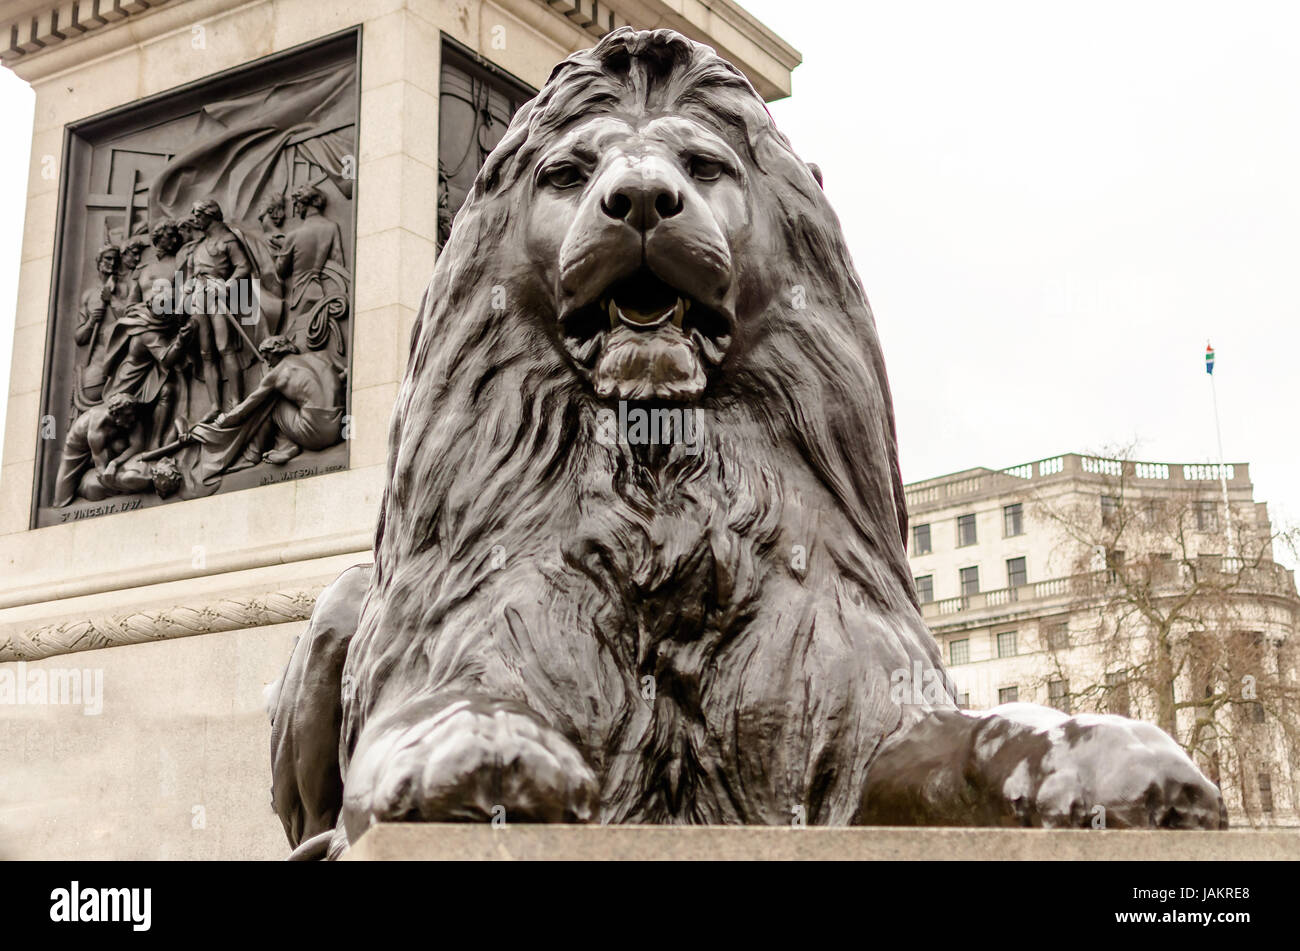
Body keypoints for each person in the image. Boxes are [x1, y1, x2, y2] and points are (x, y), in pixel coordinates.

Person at [188, 335, 343, 482]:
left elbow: (247, 407)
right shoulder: (322, 356)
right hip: (340, 424)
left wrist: (224, 420)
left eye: (267, 357)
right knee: (282, 396)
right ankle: (286, 445)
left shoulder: (276, 374)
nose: (268, 363)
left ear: (276, 351)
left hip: (315, 433)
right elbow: (348, 373)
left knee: (271, 402)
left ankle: (264, 452)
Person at [103, 220, 195, 447]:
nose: (173, 240)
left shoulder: (181, 266)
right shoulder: (141, 270)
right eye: (168, 236)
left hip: (165, 328)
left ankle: (155, 442)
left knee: (168, 390)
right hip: (142, 328)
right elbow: (130, 305)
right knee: (127, 388)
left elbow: (186, 301)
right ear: (156, 239)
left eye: (175, 235)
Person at [184, 198, 255, 416]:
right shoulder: (197, 247)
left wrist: (226, 285)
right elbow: (189, 274)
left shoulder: (227, 240)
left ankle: (237, 401)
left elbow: (243, 266)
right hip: (199, 297)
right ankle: (215, 406)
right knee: (206, 353)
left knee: (225, 348)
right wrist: (188, 285)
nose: (195, 219)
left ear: (210, 214)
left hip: (218, 296)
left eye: (198, 214)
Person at [276, 185, 347, 360]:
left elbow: (280, 270)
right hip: (323, 292)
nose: (296, 208)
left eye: (296, 204)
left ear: (304, 204)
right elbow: (338, 261)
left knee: (296, 343)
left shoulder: (294, 235)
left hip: (301, 294)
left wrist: (280, 248)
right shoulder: (331, 227)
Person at [52, 393, 145, 506]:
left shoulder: (131, 413)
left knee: (119, 446)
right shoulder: (99, 423)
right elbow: (101, 469)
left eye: (132, 415)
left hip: (110, 443)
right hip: (77, 447)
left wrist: (114, 463)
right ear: (116, 414)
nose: (133, 418)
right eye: (129, 415)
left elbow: (138, 445)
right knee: (62, 496)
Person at [72, 245, 125, 407]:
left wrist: (112, 300)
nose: (112, 262)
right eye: (108, 258)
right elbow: (79, 338)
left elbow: (130, 318)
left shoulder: (124, 289)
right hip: (98, 356)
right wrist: (91, 322)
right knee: (89, 390)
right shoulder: (88, 295)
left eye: (115, 259)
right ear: (99, 261)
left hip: (119, 351)